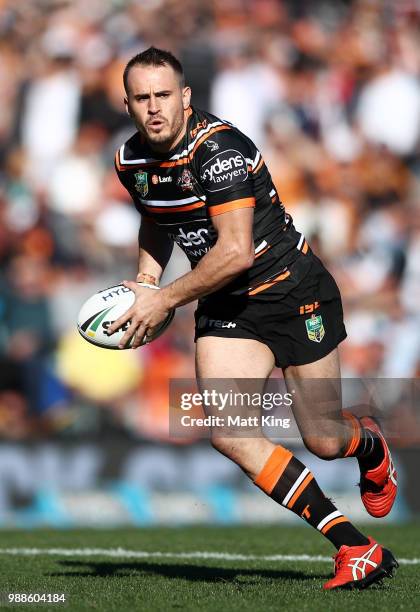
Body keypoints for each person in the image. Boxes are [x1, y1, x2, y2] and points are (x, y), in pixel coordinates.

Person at [108, 47, 398, 590]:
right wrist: (145, 282)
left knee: (325, 440)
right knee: (230, 432)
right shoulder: (131, 162)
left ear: (186, 97)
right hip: (227, 307)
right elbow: (157, 219)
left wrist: (164, 299)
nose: (154, 108)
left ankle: (370, 443)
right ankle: (354, 548)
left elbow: (236, 251)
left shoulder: (218, 149)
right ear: (127, 105)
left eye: (163, 96)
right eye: (142, 98)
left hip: (292, 294)